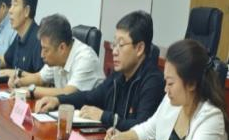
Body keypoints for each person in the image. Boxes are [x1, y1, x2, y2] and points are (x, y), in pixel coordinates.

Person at [104, 39, 229, 140]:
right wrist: (122, 136)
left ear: (191, 84)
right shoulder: (172, 102)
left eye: (170, 83)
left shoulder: (212, 118)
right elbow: (148, 129)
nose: (165, 89)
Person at [35, 11, 165, 132]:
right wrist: (57, 100)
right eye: (114, 44)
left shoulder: (153, 81)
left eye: (121, 45)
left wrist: (103, 116)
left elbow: (142, 127)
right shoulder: (118, 76)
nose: (114, 51)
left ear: (140, 48)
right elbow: (90, 97)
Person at [8, 14, 104, 98]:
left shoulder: (86, 59)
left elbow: (68, 93)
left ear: (62, 48)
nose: (42, 54)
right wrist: (19, 82)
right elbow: (40, 78)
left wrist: (31, 91)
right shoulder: (58, 56)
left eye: (46, 50)